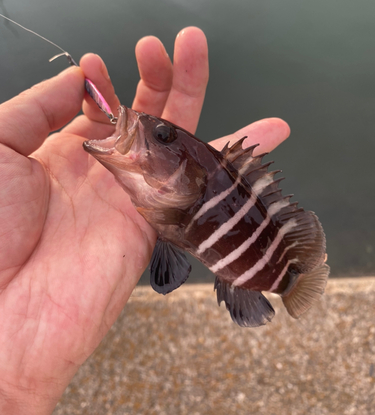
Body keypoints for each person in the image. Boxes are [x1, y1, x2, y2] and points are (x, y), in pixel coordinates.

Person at [0, 27, 290, 414]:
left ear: (191, 176)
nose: (144, 127)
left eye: (163, 136)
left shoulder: (176, 203)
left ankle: (290, 283)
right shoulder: (172, 199)